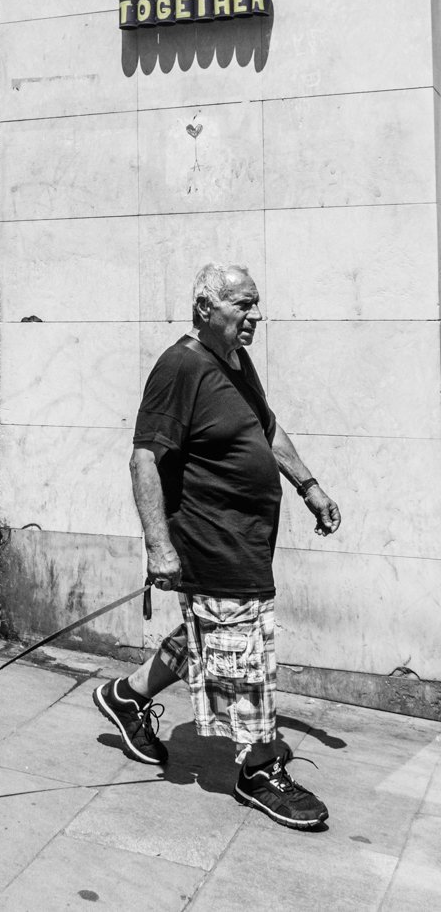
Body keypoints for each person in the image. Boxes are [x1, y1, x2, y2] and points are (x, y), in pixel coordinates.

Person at [93, 262, 341, 831]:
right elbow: (144, 460)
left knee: (212, 637)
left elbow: (267, 430)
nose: (255, 316)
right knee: (243, 652)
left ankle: (129, 697)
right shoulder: (180, 366)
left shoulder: (234, 361)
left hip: (246, 540)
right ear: (207, 309)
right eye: (244, 306)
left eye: (257, 305)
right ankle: (257, 769)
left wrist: (309, 485)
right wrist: (160, 549)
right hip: (211, 542)